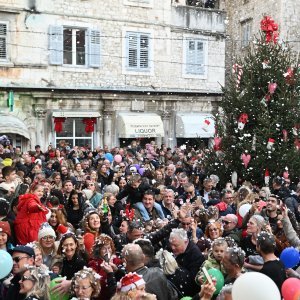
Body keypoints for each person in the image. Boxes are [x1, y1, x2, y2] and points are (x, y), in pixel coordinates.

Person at [168, 228, 205, 297]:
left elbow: (194, 280)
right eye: (171, 244)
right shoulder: (174, 247)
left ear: (186, 242)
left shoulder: (195, 255)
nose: (172, 248)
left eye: (176, 245)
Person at [88, 234, 122, 300]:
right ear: (98, 250)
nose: (107, 251)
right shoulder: (93, 263)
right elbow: (95, 282)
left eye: (109, 248)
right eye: (104, 248)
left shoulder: (117, 260)